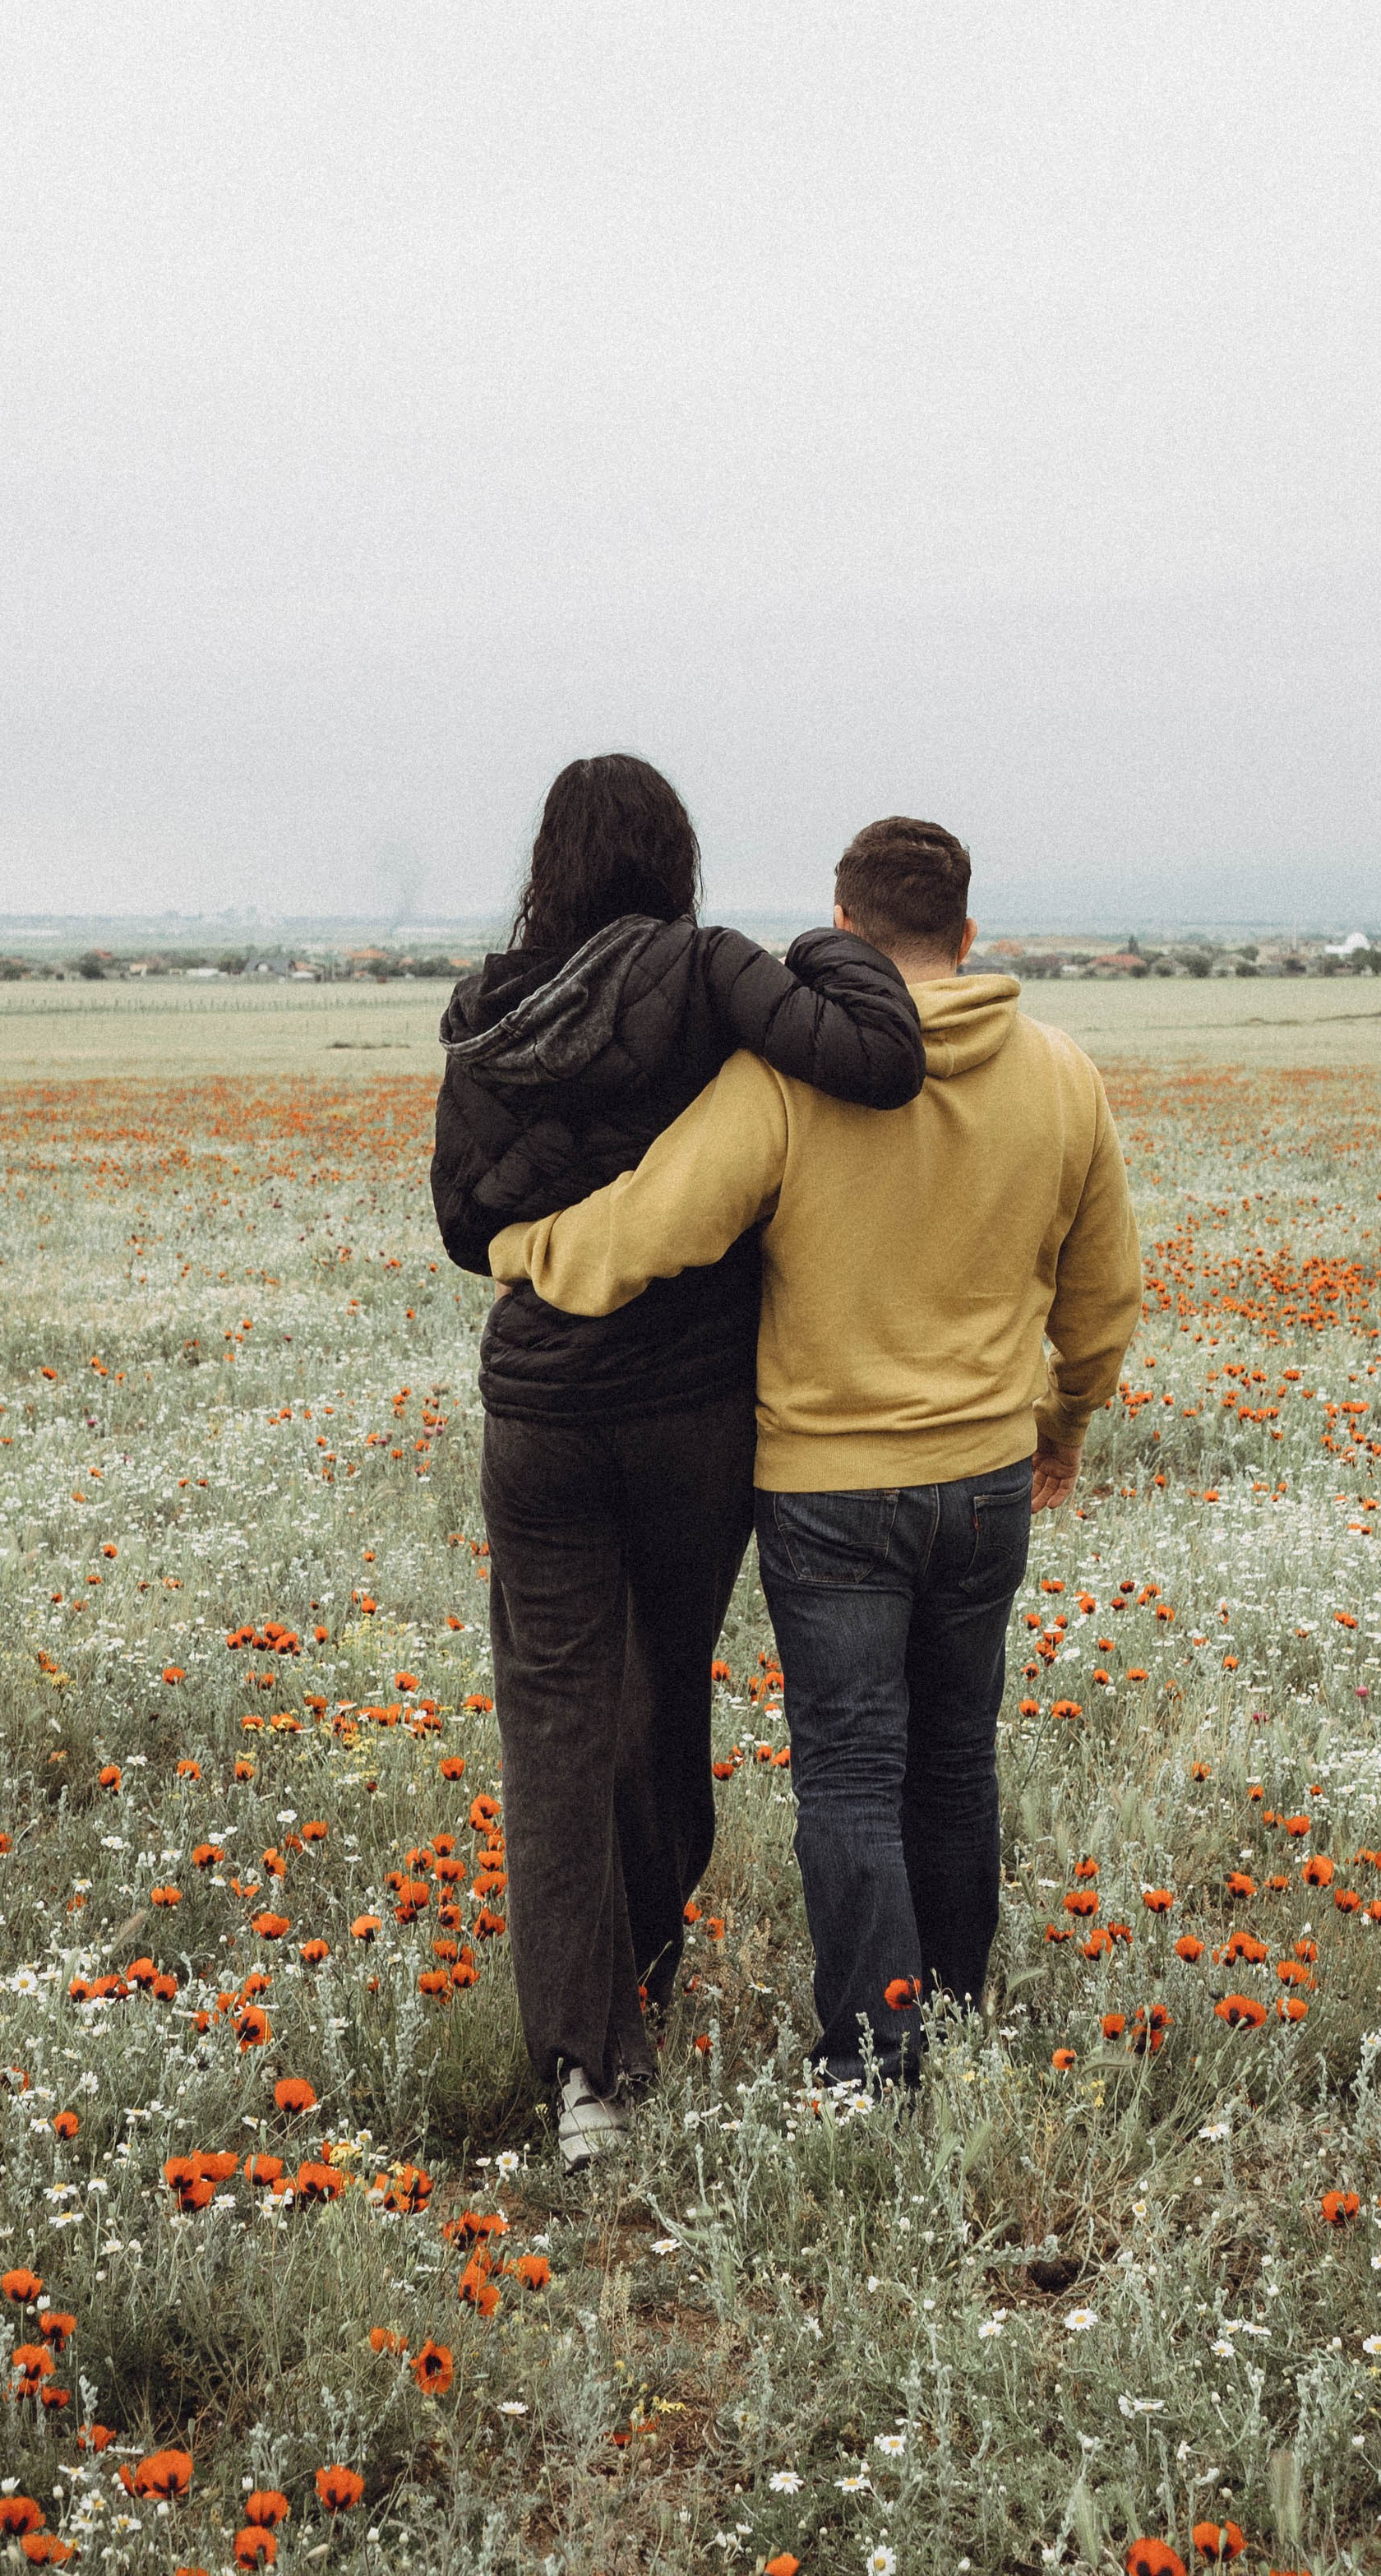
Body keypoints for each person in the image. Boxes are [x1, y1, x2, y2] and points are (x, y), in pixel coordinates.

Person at [489, 813, 1142, 2093]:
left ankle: (870, 2064)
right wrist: (1061, 1427)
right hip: (984, 1478)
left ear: (842, 930)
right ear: (967, 933)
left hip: (830, 1490)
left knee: (848, 1773)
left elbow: (647, 1231)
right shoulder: (1062, 1073)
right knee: (956, 1756)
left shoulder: (793, 1078)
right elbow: (1103, 1295)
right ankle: (948, 2014)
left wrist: (519, 1250)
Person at [431, 756, 926, 2164]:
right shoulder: (711, 971)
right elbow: (881, 1060)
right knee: (660, 1704)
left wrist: (553, 1199)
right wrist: (831, 938)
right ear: (674, 855)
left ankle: (590, 2069)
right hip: (694, 1415)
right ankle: (641, 1974)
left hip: (540, 1419)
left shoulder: (488, 1013)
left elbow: (467, 1230)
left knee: (555, 1728)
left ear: (551, 861)